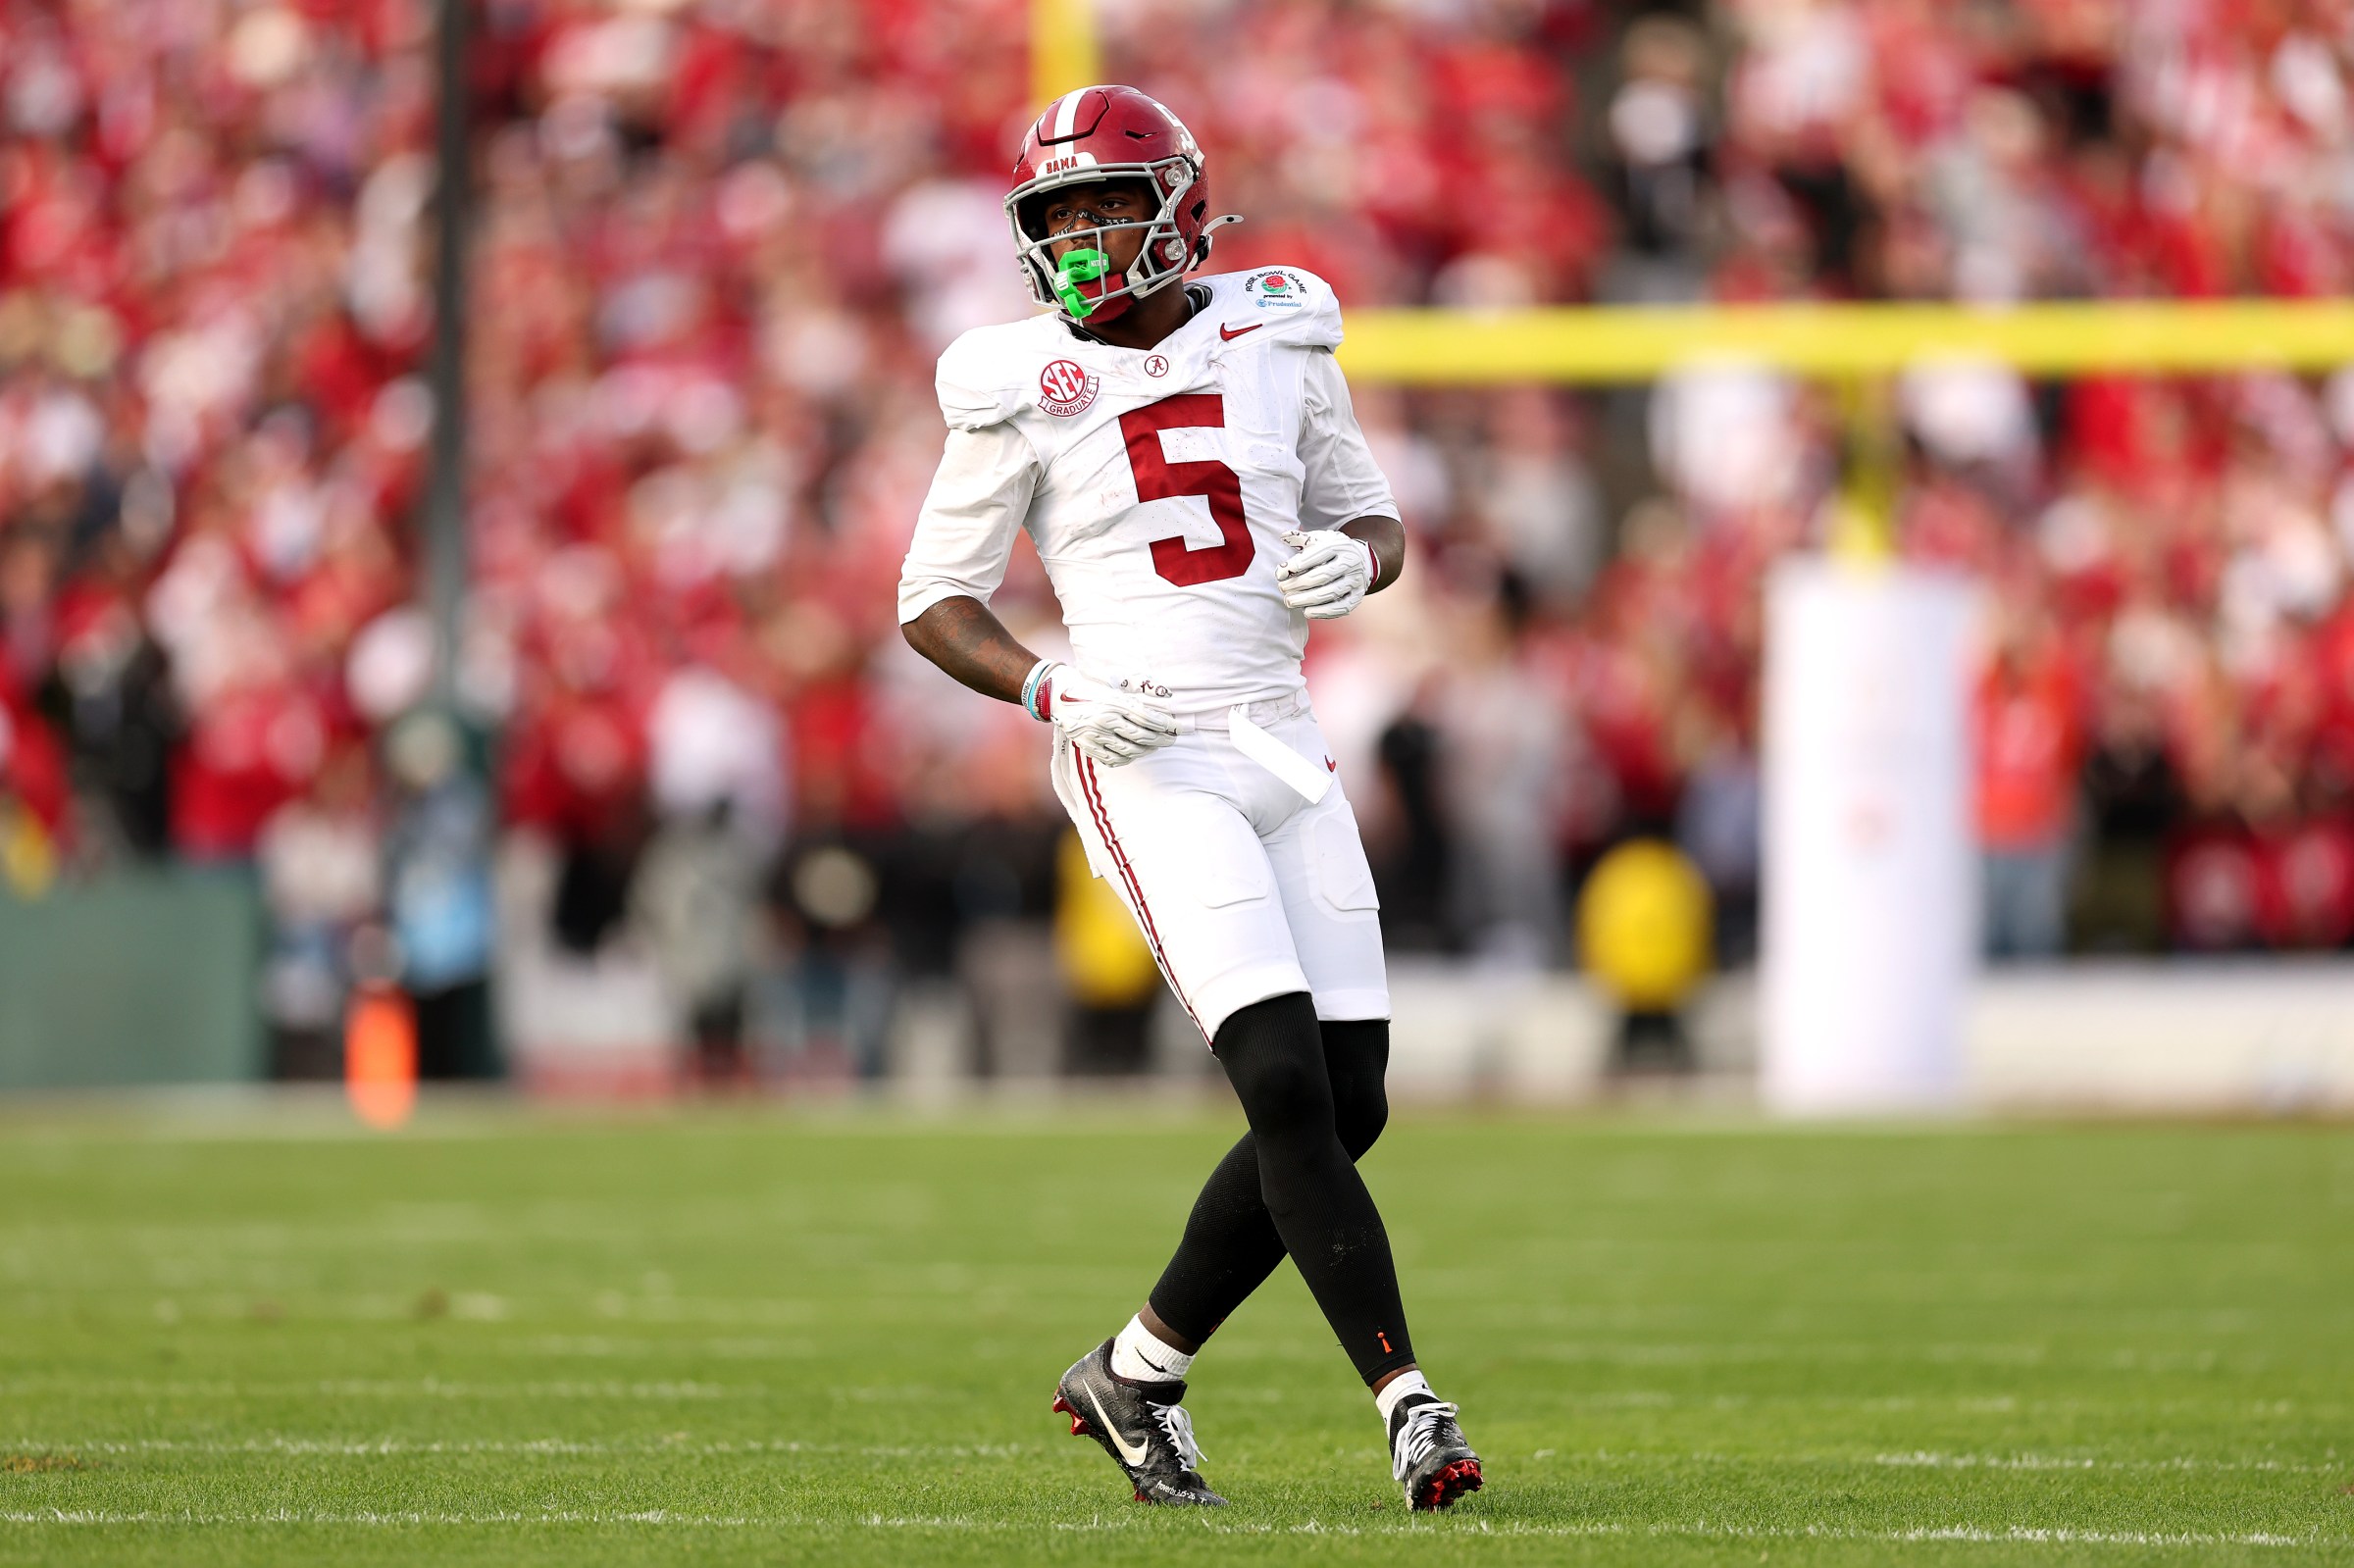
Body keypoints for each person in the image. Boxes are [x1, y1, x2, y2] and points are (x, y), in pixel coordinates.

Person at [896, 85, 1481, 1512]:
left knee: (1349, 1100)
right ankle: (1408, 1403)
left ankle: (1137, 1369)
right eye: (1057, 216)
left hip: (1284, 740)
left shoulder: (1280, 328)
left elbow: (1371, 513)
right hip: (1144, 747)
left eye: (1104, 207)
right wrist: (1048, 687)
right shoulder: (1015, 381)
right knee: (1278, 1080)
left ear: (1177, 207)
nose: (1078, 240)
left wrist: (1362, 560)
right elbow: (933, 600)